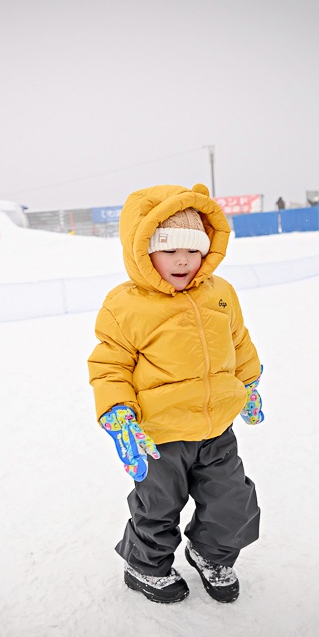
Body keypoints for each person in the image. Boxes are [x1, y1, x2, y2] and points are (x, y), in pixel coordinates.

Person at [88, 183, 263, 605]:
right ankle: (145, 566)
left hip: (215, 429)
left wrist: (249, 383)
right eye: (168, 249)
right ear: (142, 250)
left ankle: (211, 555)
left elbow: (238, 341)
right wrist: (118, 412)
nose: (183, 259)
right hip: (159, 437)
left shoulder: (220, 294)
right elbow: (110, 365)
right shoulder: (125, 305)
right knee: (157, 508)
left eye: (193, 248)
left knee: (233, 501)